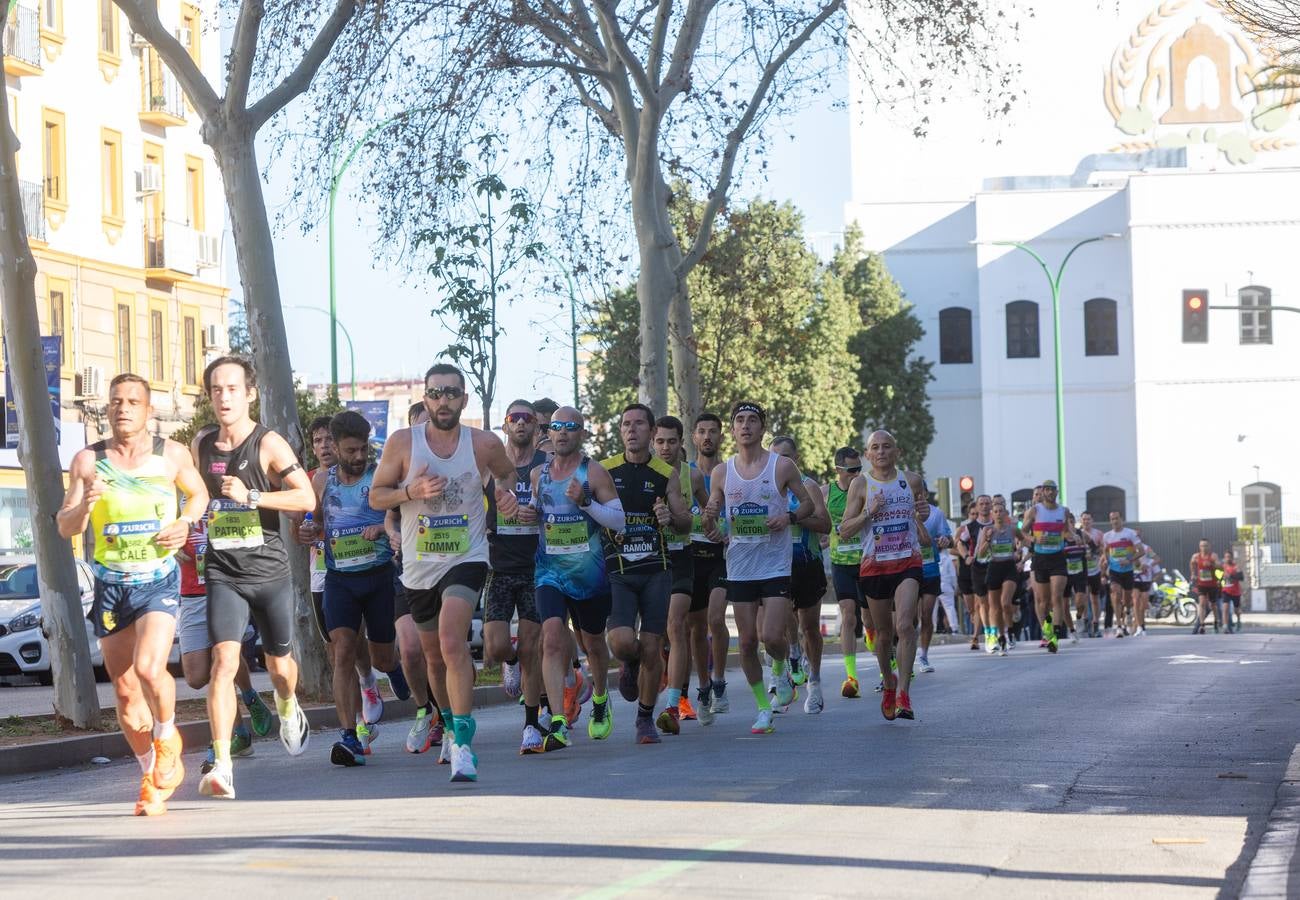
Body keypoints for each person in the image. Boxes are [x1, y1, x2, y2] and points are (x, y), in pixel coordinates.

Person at [57, 373, 209, 816]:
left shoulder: (171, 455)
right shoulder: (88, 461)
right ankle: (151, 775)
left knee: (148, 667)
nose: (122, 408)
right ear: (107, 408)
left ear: (148, 410)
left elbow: (198, 495)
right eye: (116, 401)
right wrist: (85, 506)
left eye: (132, 402)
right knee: (124, 691)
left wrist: (185, 524)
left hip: (157, 578)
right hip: (111, 583)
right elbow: (66, 526)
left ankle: (165, 736)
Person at [368, 362, 521, 783]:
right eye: (436, 393)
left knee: (453, 642)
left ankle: (465, 747)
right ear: (425, 398)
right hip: (419, 568)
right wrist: (410, 492)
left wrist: (505, 496)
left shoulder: (484, 444)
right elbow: (377, 496)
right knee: (433, 658)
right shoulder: (403, 443)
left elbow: (508, 475)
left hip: (467, 558)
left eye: (451, 393)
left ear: (464, 399)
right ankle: (450, 725)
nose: (443, 401)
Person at [194, 357, 317, 799]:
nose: (223, 397)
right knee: (223, 664)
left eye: (232, 389)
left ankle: (287, 706)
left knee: (279, 668)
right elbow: (195, 497)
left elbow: (307, 496)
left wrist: (255, 495)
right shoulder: (203, 443)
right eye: (215, 390)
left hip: (268, 571)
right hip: (223, 570)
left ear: (250, 393)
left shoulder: (268, 444)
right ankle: (222, 764)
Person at [701, 401, 816, 734]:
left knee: (771, 636)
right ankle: (764, 708)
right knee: (749, 641)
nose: (746, 426)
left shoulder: (781, 466)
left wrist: (789, 516)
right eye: (740, 420)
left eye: (752, 420)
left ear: (762, 428)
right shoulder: (722, 472)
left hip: (775, 563)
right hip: (739, 566)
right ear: (733, 430)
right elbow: (716, 518)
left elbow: (807, 502)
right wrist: (712, 525)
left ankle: (781, 666)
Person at [297, 410, 400, 767]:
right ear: (337, 449)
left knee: (384, 657)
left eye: (363, 449)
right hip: (339, 578)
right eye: (351, 450)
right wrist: (308, 532)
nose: (358, 457)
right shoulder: (322, 482)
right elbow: (316, 524)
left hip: (378, 576)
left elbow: (400, 516)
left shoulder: (380, 476)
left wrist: (384, 530)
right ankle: (349, 737)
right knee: (342, 651)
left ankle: (396, 672)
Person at [174, 437, 274, 776]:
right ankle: (246, 706)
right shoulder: (177, 493)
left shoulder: (231, 490)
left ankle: (225, 742)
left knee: (222, 660)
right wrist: (173, 549)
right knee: (196, 676)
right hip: (191, 592)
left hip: (225, 588)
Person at [527, 405, 619, 750]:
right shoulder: (539, 475)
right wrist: (524, 513)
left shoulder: (593, 473)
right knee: (551, 638)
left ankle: (599, 697)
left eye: (570, 426)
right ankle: (559, 720)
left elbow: (619, 521)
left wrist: (587, 503)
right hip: (549, 569)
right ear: (548, 433)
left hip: (589, 573)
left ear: (581, 433)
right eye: (556, 426)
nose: (562, 432)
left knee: (593, 644)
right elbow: (538, 514)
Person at [602, 404, 691, 744]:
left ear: (651, 432)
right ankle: (629, 662)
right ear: (620, 430)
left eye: (639, 423)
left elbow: (685, 522)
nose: (632, 429)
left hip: (657, 569)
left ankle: (644, 718)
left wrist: (670, 516)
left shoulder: (662, 471)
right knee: (623, 642)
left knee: (653, 647)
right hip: (619, 571)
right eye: (626, 424)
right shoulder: (605, 469)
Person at [837, 430, 932, 721]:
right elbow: (844, 530)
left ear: (897, 451)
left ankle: (903, 692)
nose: (881, 451)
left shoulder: (912, 480)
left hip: (907, 561)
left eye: (886, 446)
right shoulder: (860, 484)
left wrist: (924, 512)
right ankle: (888, 681)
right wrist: (868, 513)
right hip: (875, 565)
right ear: (867, 455)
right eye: (875, 447)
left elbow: (921, 513)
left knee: (905, 625)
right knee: (882, 635)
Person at [484, 400, 549, 753]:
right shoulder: (493, 467)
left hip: (535, 568)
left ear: (537, 428)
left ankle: (530, 724)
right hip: (499, 566)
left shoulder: (545, 466)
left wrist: (536, 517)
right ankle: (509, 664)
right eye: (514, 419)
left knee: (530, 648)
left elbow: (559, 510)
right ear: (505, 426)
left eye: (528, 419)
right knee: (495, 647)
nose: (521, 424)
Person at [654, 416, 711, 733]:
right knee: (658, 633)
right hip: (650, 560)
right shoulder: (645, 475)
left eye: (671, 441)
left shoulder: (692, 476)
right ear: (653, 442)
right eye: (660, 441)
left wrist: (715, 523)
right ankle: (664, 662)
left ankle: (673, 705)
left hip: (682, 557)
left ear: (681, 443)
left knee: (679, 625)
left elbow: (709, 510)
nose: (665, 447)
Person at [771, 437, 831, 713]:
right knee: (779, 625)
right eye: (774, 457)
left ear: (795, 458)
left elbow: (825, 524)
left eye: (785, 457)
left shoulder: (808, 486)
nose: (780, 462)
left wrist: (793, 517)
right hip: (775, 565)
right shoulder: (765, 486)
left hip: (807, 563)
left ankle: (815, 684)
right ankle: (788, 663)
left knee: (808, 626)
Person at [691, 413, 730, 719]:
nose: (707, 437)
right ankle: (703, 685)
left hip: (722, 556)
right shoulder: (684, 475)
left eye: (712, 432)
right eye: (701, 431)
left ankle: (719, 680)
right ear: (693, 438)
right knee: (695, 627)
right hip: (690, 557)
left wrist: (726, 531)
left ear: (720, 437)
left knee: (716, 618)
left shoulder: (731, 473)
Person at [825, 446, 866, 697]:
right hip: (840, 561)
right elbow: (816, 518)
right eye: (852, 471)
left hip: (867, 561)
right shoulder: (825, 492)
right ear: (839, 470)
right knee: (848, 616)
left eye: (859, 469)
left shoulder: (868, 490)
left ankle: (885, 660)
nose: (857, 475)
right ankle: (851, 677)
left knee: (873, 622)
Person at [1021, 479, 1077, 653]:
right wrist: (1034, 539)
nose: (1050, 493)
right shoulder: (1035, 511)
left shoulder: (1064, 511)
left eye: (1053, 490)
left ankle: (1056, 635)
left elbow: (1067, 530)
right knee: (1043, 602)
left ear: (1057, 492)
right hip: (1040, 558)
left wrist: (1073, 536)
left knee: (1057, 597)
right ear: (1043, 492)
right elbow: (1022, 531)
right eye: (1047, 490)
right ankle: (1048, 631)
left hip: (1058, 558)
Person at [915, 487, 953, 671]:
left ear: (926, 494)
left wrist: (945, 541)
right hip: (909, 571)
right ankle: (907, 652)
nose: (918, 497)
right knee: (909, 619)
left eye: (921, 493)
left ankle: (923, 655)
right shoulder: (903, 512)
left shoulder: (936, 513)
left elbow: (948, 538)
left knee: (926, 614)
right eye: (914, 494)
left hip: (930, 570)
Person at [977, 500, 1018, 656]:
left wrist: (1026, 548)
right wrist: (987, 539)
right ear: (992, 515)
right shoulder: (987, 530)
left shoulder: (1012, 529)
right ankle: (1001, 637)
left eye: (1001, 511)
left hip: (1009, 567)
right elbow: (980, 554)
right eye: (996, 511)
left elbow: (1025, 539)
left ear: (1005, 513)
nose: (999, 513)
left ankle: (1011, 630)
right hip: (994, 568)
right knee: (995, 608)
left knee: (1005, 603)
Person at [1101, 511, 1145, 638]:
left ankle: (1128, 611)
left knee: (1126, 599)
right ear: (1110, 521)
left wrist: (1129, 560)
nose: (1115, 521)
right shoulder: (1107, 536)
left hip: (1128, 571)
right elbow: (1105, 550)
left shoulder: (1130, 533)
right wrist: (1107, 561)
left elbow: (1141, 551)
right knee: (1115, 594)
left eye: (1117, 518)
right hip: (1114, 571)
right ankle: (1119, 626)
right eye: (1112, 519)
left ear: (1121, 519)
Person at [1078, 512, 1105, 638]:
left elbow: (1103, 550)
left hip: (1095, 569)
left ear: (1092, 521)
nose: (1086, 522)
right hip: (1081, 570)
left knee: (1095, 598)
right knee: (1083, 597)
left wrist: (1094, 553)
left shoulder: (1098, 534)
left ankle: (1095, 623)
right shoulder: (1076, 533)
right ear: (1081, 521)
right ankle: (1085, 623)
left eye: (1088, 519)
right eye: (1084, 519)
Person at [1190, 539, 1223, 635]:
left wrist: (1212, 564)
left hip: (1212, 584)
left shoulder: (1213, 556)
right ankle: (1202, 625)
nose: (1204, 548)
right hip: (1201, 584)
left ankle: (1216, 622)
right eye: (1202, 546)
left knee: (1213, 605)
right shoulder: (1196, 556)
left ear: (1209, 546)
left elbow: (1220, 567)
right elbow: (1192, 563)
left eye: (1205, 546)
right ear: (1199, 547)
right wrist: (1193, 574)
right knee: (1202, 603)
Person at [1222, 550, 1244, 632]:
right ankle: (1225, 626)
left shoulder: (1236, 567)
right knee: (1225, 608)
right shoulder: (1222, 567)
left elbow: (1241, 577)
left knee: (1236, 610)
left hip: (1235, 591)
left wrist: (1231, 576)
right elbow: (1219, 576)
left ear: (1232, 558)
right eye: (1226, 557)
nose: (1227, 559)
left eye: (1229, 557)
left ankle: (1238, 621)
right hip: (1226, 590)